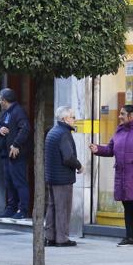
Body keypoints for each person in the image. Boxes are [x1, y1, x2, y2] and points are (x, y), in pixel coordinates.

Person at [90, 104, 133, 248]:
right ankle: (129, 237)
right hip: (122, 175)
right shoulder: (119, 130)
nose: (119, 116)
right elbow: (111, 149)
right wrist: (98, 149)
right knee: (127, 207)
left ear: (131, 116)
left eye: (122, 114)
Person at [44, 106, 83, 247]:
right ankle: (62, 238)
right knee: (63, 208)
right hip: (62, 178)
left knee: (52, 207)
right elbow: (68, 157)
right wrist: (79, 166)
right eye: (73, 117)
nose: (74, 119)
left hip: (52, 176)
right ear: (65, 119)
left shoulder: (53, 131)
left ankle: (50, 237)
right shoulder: (64, 133)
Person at [0, 88, 31, 219]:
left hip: (16, 155)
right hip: (6, 154)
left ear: (4, 100)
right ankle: (11, 207)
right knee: (9, 182)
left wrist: (16, 144)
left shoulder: (18, 111)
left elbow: (25, 128)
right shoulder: (6, 113)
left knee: (19, 182)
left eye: (0, 99)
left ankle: (23, 209)